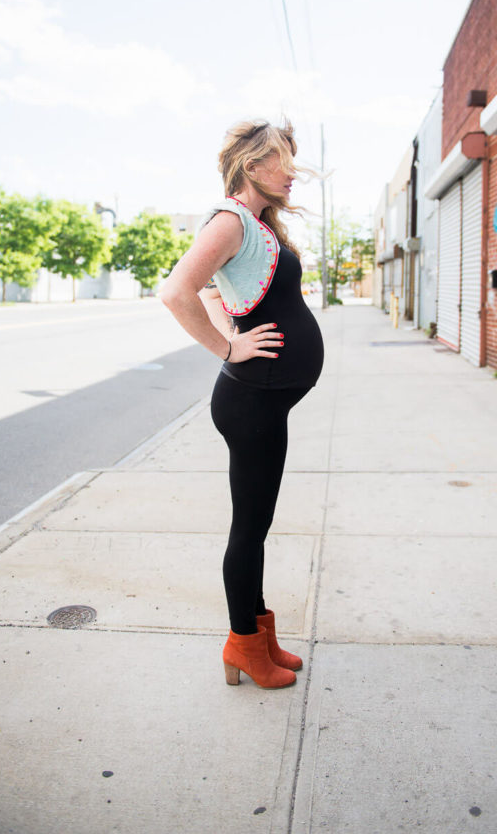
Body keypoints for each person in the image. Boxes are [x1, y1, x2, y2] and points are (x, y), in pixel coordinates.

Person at [160, 119, 324, 689]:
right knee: (249, 529)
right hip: (251, 400)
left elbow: (214, 289)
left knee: (258, 524)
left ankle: (260, 637)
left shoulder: (254, 225)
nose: (291, 170)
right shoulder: (231, 219)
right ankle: (243, 646)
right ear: (252, 166)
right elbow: (178, 291)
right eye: (281, 159)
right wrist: (228, 344)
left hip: (265, 401)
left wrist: (231, 317)